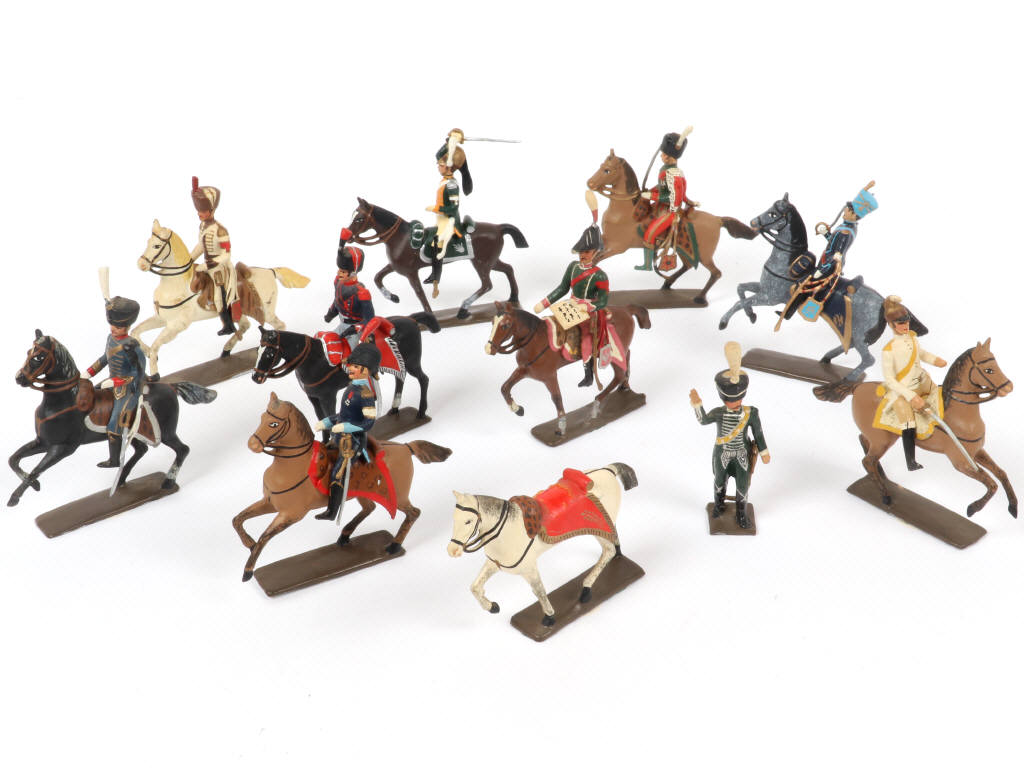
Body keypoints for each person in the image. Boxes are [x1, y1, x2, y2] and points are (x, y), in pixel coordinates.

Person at [689, 342, 770, 530]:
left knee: (743, 485)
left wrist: (764, 452)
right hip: (722, 453)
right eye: (731, 399)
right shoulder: (719, 412)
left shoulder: (751, 413)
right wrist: (697, 405)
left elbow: (758, 433)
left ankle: (741, 514)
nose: (735, 402)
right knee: (719, 481)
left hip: (742, 453)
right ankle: (719, 506)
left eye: (738, 398)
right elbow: (703, 420)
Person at [533, 209, 610, 387]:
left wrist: (588, 306)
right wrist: (544, 303)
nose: (583, 255)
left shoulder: (600, 275)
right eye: (581, 251)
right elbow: (562, 288)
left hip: (589, 312)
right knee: (550, 324)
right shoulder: (573, 267)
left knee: (586, 337)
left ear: (595, 252)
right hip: (570, 305)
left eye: (587, 251)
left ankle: (588, 373)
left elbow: (603, 301)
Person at [781, 182, 878, 321]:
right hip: (826, 260)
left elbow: (837, 255)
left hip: (829, 265)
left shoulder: (846, 232)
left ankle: (788, 313)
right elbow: (833, 244)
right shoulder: (846, 226)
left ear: (852, 214)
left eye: (847, 211)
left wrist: (822, 270)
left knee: (803, 284)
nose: (844, 212)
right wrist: (826, 234)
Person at [313, 343, 380, 522]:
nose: (350, 368)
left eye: (356, 366)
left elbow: (369, 422)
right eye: (352, 365)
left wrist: (346, 427)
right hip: (339, 437)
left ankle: (332, 511)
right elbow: (343, 414)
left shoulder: (366, 394)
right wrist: (327, 422)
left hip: (353, 442)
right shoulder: (351, 388)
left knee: (337, 472)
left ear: (365, 370)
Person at [878, 295, 947, 471]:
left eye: (907, 321)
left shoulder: (912, 338)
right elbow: (890, 380)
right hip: (903, 390)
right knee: (908, 423)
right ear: (892, 325)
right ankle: (910, 461)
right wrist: (910, 396)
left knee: (942, 396)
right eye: (901, 323)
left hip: (923, 381)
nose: (905, 325)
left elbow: (921, 354)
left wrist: (935, 360)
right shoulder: (888, 350)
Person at [86, 296, 147, 469]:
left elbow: (138, 372)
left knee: (115, 422)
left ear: (127, 327)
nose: (114, 329)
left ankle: (114, 460)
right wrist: (89, 372)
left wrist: (116, 382)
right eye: (112, 325)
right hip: (111, 382)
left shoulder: (132, 346)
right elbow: (105, 358)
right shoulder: (110, 338)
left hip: (129, 388)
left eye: (118, 327)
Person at [639, 128, 698, 271]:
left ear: (669, 157)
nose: (661, 156)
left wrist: (651, 196)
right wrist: (651, 190)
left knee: (649, 234)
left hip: (671, 211)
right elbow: (663, 187)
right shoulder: (667, 170)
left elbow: (672, 197)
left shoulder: (673, 175)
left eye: (663, 154)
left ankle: (647, 265)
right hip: (661, 205)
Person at [189, 176, 239, 335]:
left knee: (219, 297)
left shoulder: (221, 230)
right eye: (198, 211)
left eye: (203, 211)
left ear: (212, 211)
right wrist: (189, 259)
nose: (200, 214)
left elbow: (226, 255)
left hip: (220, 268)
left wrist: (209, 264)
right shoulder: (202, 226)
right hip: (206, 265)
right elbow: (201, 246)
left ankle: (228, 325)